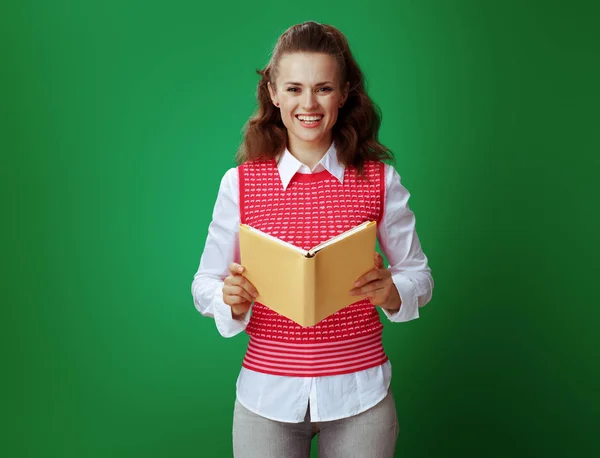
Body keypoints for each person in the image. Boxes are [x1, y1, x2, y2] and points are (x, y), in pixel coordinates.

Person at [191, 20, 434, 458]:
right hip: (265, 397)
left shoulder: (380, 180)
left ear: (344, 94)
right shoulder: (240, 183)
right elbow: (203, 283)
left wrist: (393, 291)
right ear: (274, 94)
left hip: (361, 397)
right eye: (295, 88)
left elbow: (419, 275)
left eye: (323, 88)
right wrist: (230, 298)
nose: (309, 103)